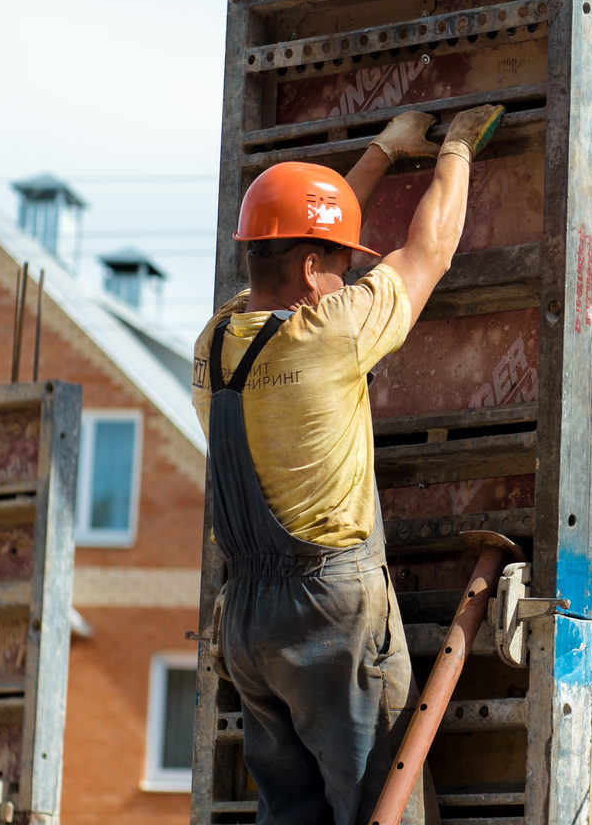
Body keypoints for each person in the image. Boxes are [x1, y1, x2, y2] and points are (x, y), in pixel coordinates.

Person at [192, 103, 505, 825]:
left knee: (289, 814)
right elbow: (431, 249)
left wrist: (386, 149)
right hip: (329, 609)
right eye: (340, 267)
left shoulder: (215, 342)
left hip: (246, 621)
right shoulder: (329, 333)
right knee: (382, 807)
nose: (347, 281)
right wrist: (455, 149)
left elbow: (307, 233)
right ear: (310, 268)